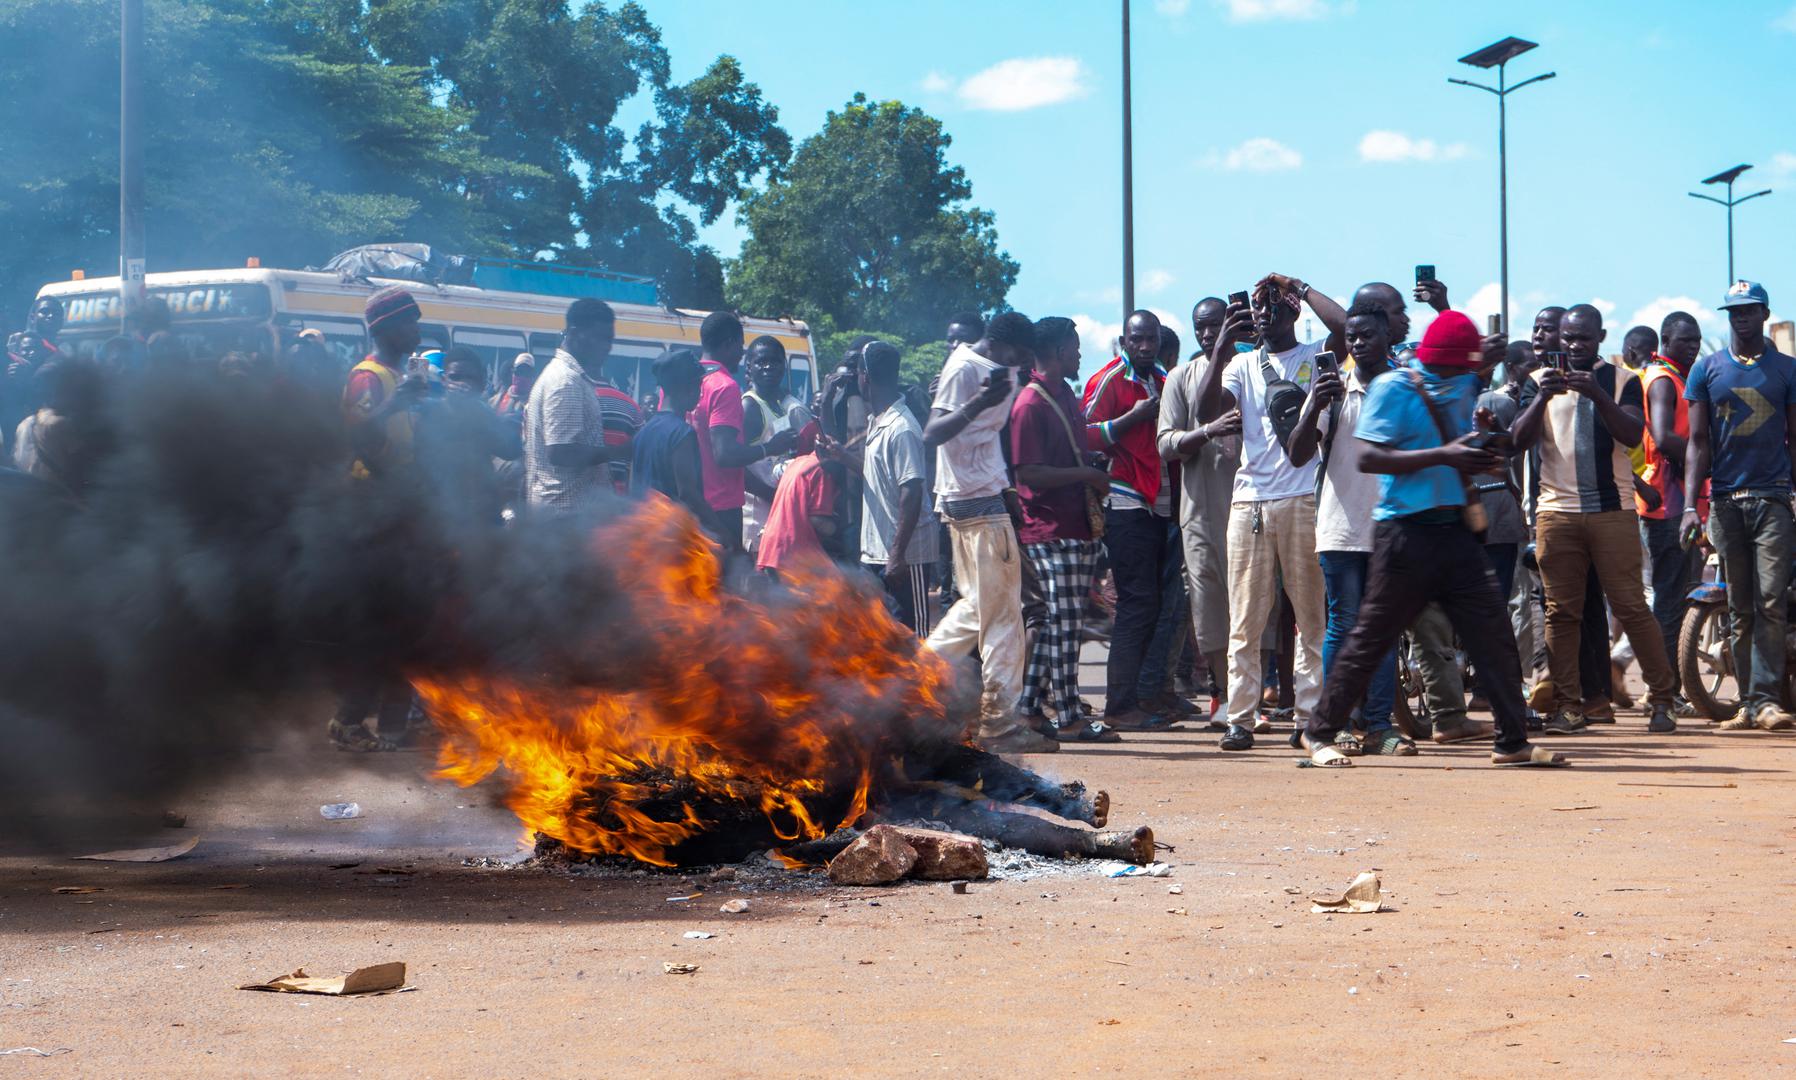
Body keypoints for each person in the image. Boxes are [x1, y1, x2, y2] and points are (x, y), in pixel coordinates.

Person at [1300, 311, 1567, 769]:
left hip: (1455, 532)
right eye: (1457, 366)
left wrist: (1480, 448)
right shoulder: (1394, 388)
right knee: (1370, 638)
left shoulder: (1464, 384)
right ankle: (1318, 733)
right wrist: (1445, 453)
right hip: (1404, 535)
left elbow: (1470, 435)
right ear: (1436, 360)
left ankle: (1511, 742)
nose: (1463, 373)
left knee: (1493, 636)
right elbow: (1367, 456)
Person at [1195, 273, 1345, 751]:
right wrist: (1221, 346)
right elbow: (1205, 412)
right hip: (1250, 501)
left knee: (1309, 618)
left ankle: (1307, 718)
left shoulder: (1312, 356)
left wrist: (1298, 286)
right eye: (1257, 308)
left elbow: (1344, 326)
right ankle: (1240, 718)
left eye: (1272, 308)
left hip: (1303, 499)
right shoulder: (1241, 364)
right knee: (1246, 617)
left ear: (1292, 314)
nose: (1262, 314)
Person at [1511, 304, 1677, 735]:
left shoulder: (1621, 380)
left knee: (1631, 608)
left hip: (1612, 511)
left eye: (1583, 339)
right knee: (1561, 613)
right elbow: (1517, 441)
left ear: (1600, 338)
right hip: (1556, 513)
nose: (1574, 346)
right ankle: (1569, 705)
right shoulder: (1537, 382)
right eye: (1568, 338)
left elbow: (1631, 434)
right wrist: (1545, 395)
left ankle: (1662, 699)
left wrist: (1597, 394)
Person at [924, 311, 1052, 754]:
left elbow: (985, 440)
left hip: (975, 500)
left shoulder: (992, 367)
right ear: (998, 344)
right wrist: (977, 402)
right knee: (1002, 620)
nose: (1022, 364)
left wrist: (1008, 491)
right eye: (1018, 355)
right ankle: (999, 725)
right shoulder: (966, 369)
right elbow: (933, 433)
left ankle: (914, 673)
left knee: (979, 608)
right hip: (975, 508)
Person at [1286, 300, 1409, 754]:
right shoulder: (1333, 389)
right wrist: (1313, 403)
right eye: (1351, 336)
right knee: (1343, 624)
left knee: (1382, 627)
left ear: (1387, 338)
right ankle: (1334, 725)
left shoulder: (1404, 388)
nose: (1357, 343)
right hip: (1339, 526)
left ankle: (1379, 726)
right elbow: (1298, 454)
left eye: (1367, 335)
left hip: (1392, 527)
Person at [1683, 281, 1796, 731]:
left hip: (1772, 499)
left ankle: (1767, 701)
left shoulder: (1787, 370)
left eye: (1748, 310)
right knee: (1739, 604)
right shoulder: (1706, 370)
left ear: (1765, 314)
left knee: (1771, 601)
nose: (1740, 318)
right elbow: (1696, 442)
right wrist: (1692, 505)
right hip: (1727, 501)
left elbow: (1794, 438)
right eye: (1733, 311)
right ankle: (1749, 703)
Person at [1012, 316, 1114, 741]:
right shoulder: (1030, 404)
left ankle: (1030, 709)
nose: (1078, 353)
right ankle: (1070, 716)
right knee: (1067, 624)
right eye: (1073, 347)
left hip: (1073, 525)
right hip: (1051, 528)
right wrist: (1086, 476)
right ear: (1056, 352)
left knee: (1059, 620)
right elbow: (1030, 474)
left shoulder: (1064, 393)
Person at [1082, 311, 1180, 731]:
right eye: (1136, 339)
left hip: (1158, 501)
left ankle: (1133, 700)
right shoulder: (1108, 379)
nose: (1144, 346)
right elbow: (1082, 433)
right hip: (1125, 499)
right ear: (1124, 340)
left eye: (1151, 339)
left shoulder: (1161, 377)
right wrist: (1132, 418)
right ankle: (1120, 706)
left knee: (1149, 604)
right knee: (1138, 603)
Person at [1160, 297, 1243, 728]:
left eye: (1216, 326)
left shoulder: (1251, 369)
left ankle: (1256, 692)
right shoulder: (1180, 377)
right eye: (1201, 327)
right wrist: (1207, 430)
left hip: (1250, 509)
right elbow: (1165, 443)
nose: (1208, 334)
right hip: (1201, 512)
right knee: (1209, 605)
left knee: (1253, 604)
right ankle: (1222, 691)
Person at [1638, 311, 1704, 724]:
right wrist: (1705, 464)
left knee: (1675, 598)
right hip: (1668, 504)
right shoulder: (1663, 379)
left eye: (1697, 340)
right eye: (1685, 341)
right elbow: (1663, 438)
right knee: (1669, 601)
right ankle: (1662, 691)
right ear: (1665, 340)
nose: (1693, 347)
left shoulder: (1676, 376)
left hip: (1672, 502)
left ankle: (1667, 689)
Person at [692, 312, 796, 559]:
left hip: (691, 504)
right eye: (740, 345)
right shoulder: (724, 386)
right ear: (729, 343)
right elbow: (725, 454)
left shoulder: (683, 383)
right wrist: (768, 449)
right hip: (722, 506)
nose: (741, 353)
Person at [522, 298, 639, 516]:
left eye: (610, 340)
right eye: (600, 338)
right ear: (574, 333)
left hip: (565, 515)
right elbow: (560, 452)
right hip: (566, 517)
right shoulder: (566, 381)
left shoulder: (568, 376)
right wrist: (621, 450)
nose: (607, 347)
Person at [856, 340, 937, 635]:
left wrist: (897, 555)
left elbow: (912, 491)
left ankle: (928, 684)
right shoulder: (878, 422)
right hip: (876, 554)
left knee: (911, 636)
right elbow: (880, 476)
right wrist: (841, 456)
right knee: (880, 636)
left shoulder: (902, 427)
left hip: (905, 556)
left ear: (864, 375)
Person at [633, 349, 721, 535]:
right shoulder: (682, 433)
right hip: (670, 537)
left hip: (643, 533)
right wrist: (723, 532)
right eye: (699, 386)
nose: (700, 394)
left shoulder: (644, 432)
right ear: (686, 389)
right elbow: (688, 493)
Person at [342, 286, 426, 481]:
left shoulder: (399, 374)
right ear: (384, 329)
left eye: (415, 321)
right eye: (408, 322)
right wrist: (393, 404)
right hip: (374, 494)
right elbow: (357, 434)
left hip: (403, 490)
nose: (416, 328)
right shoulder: (367, 375)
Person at [743, 336, 814, 556]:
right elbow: (738, 466)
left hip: (781, 512)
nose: (768, 367)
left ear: (784, 365)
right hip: (757, 515)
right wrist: (775, 496)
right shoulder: (749, 406)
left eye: (774, 362)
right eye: (761, 362)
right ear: (749, 368)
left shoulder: (782, 405)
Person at [755, 448, 839, 578]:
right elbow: (817, 521)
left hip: (770, 547)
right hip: (793, 554)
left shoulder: (798, 462)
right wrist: (837, 530)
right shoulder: (822, 469)